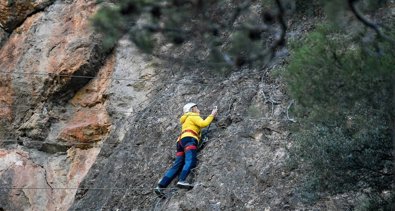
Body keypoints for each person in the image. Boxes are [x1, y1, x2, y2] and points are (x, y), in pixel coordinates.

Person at [154, 103, 218, 196]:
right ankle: (182, 180)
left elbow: (197, 129)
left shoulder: (186, 119)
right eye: (196, 108)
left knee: (177, 165)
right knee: (190, 160)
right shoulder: (193, 115)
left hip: (180, 142)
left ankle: (160, 186)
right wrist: (212, 114)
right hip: (189, 140)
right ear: (192, 109)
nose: (198, 109)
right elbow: (203, 123)